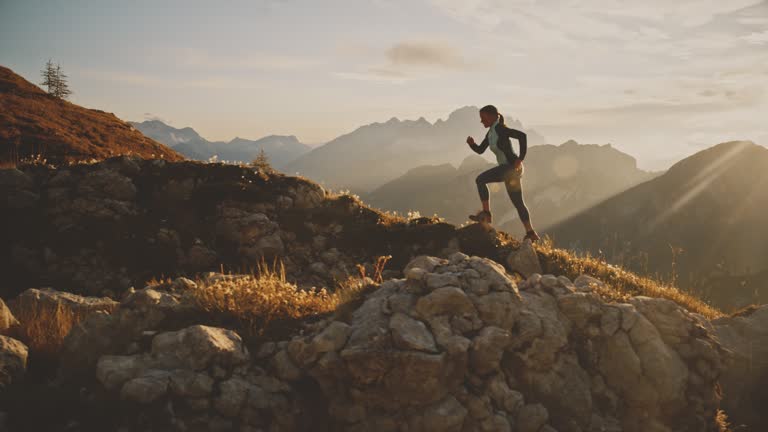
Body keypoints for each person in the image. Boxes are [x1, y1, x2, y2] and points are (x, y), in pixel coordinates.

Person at [466, 105, 540, 242]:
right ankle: (531, 233)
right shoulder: (491, 133)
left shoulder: (500, 129)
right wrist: (472, 144)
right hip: (508, 170)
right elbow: (481, 150)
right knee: (518, 203)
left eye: (483, 118)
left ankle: (486, 214)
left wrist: (520, 159)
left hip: (511, 168)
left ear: (492, 116)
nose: (481, 121)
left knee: (480, 180)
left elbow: (522, 136)